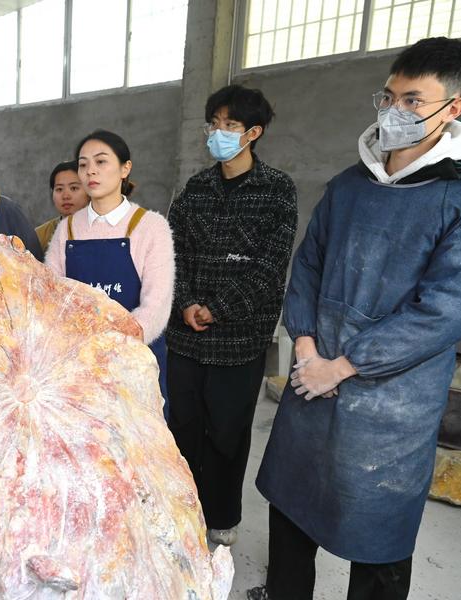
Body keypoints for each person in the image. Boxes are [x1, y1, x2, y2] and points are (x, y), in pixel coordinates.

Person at [249, 37, 461, 600]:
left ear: (453, 109)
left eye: (413, 100)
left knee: (378, 531)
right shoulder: (349, 185)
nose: (394, 113)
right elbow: (306, 267)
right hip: (313, 378)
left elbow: (448, 308)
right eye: (388, 97)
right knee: (292, 506)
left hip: (391, 404)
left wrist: (346, 365)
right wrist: (306, 348)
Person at [165, 85, 297, 548]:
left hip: (239, 340)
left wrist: (217, 308)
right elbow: (172, 254)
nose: (218, 134)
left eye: (230, 126)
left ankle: (221, 517)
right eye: (214, 124)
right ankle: (180, 511)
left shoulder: (277, 190)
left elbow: (270, 267)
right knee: (182, 427)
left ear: (253, 133)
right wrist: (184, 302)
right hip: (186, 337)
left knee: (227, 433)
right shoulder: (196, 189)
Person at [45, 129, 174, 415]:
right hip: (78, 365)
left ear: (125, 169)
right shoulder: (67, 229)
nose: (91, 170)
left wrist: (112, 348)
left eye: (101, 162)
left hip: (134, 364)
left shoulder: (151, 226)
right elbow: (50, 296)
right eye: (83, 164)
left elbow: (156, 306)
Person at [35, 160, 90, 253]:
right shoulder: (39, 235)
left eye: (74, 188)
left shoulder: (107, 229)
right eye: (59, 189)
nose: (66, 196)